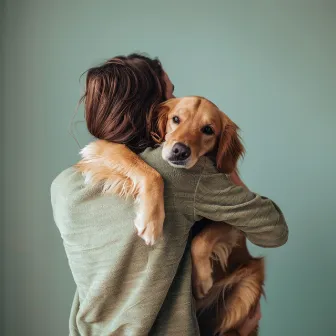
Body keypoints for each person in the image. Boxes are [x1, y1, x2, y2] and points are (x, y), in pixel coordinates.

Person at [51, 53, 288, 336]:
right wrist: (228, 171)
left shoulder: (62, 186)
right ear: (152, 111)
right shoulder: (181, 174)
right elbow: (273, 231)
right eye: (171, 94)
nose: (178, 97)